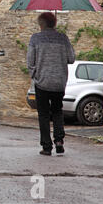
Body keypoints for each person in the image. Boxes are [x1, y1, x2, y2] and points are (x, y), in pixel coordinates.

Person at [27, 12, 75, 156]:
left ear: (41, 24)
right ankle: (59, 141)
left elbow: (30, 61)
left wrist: (35, 75)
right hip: (59, 82)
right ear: (54, 23)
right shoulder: (63, 38)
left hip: (42, 82)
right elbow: (71, 58)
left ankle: (47, 146)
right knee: (57, 111)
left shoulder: (35, 39)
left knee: (43, 115)